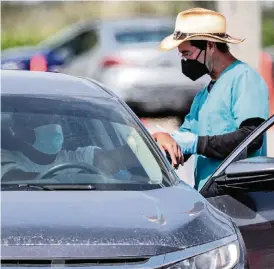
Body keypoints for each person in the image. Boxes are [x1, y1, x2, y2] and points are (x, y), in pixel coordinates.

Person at [152, 8, 269, 190]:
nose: (184, 62)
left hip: (240, 197)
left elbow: (252, 138)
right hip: (210, 196)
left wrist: (197, 144)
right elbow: (181, 143)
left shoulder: (244, 78)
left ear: (209, 45)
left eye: (187, 54)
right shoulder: (202, 97)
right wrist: (163, 139)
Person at [1, 115, 132, 181]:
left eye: (55, 121)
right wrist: (90, 178)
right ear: (20, 130)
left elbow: (119, 157)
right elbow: (14, 178)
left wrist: (138, 146)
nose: (53, 127)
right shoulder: (5, 157)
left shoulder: (77, 157)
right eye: (42, 122)